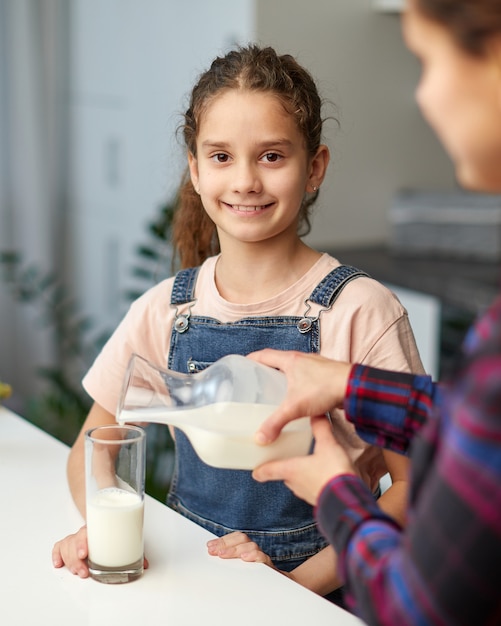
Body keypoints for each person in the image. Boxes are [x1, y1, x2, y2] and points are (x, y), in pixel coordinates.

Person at [52, 44, 424, 601]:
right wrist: (104, 526)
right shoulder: (167, 311)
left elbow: (415, 489)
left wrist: (294, 588)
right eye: (221, 157)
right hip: (191, 588)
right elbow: (94, 445)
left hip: (321, 596)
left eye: (272, 156)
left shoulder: (360, 310)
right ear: (196, 171)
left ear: (314, 167)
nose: (246, 180)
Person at [245, 2, 501, 623]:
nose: (425, 96)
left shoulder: (362, 304)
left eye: (427, 60)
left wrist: (336, 495)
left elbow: (413, 605)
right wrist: (352, 386)